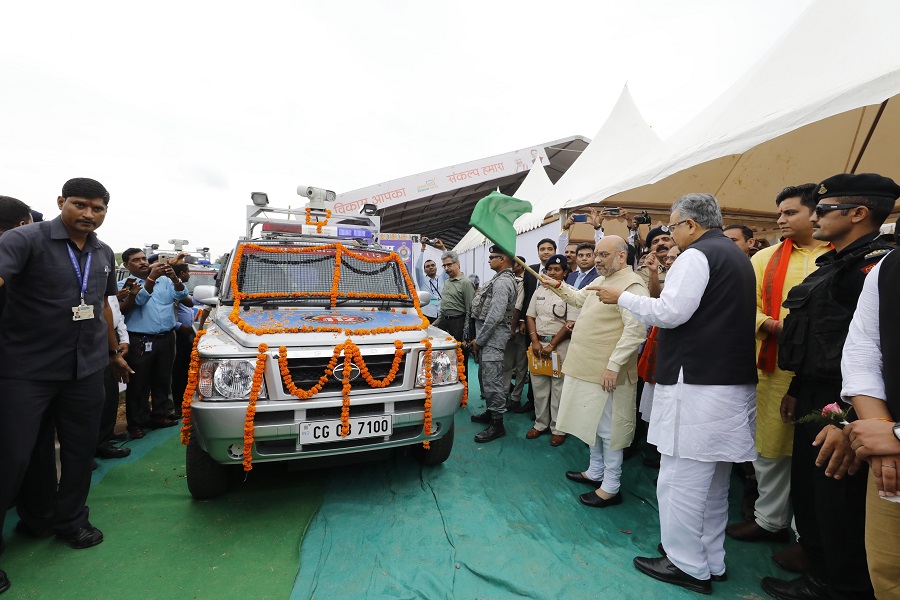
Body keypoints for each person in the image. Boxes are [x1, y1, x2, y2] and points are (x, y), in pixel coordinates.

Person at [596, 194, 757, 594]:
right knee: (714, 481)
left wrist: (624, 297)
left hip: (697, 385)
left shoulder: (697, 255)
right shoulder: (735, 256)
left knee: (680, 480)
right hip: (726, 383)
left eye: (672, 227)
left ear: (689, 224)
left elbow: (671, 312)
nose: (671, 235)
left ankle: (685, 563)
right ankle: (710, 558)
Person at [763, 173, 899, 600]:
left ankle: (835, 583)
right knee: (812, 483)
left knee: (837, 492)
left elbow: (874, 354)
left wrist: (854, 419)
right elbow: (825, 337)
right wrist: (796, 386)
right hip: (815, 389)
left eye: (822, 209)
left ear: (858, 214)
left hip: (850, 403)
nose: (813, 216)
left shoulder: (874, 267)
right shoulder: (837, 262)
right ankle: (816, 559)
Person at [0, 178, 131, 595]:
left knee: (79, 451)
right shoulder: (26, 239)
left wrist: (112, 355)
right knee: (13, 458)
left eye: (98, 207)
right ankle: (34, 518)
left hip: (86, 370)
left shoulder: (103, 252)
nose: (89, 214)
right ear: (61, 202)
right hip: (26, 371)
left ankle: (70, 521)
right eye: (80, 204)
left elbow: (102, 310)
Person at [725, 185, 830, 566]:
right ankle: (769, 520)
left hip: (824, 375)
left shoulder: (841, 258)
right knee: (768, 450)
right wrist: (771, 325)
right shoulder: (764, 259)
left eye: (789, 213)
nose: (780, 220)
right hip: (772, 368)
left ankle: (808, 537)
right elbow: (742, 307)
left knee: (812, 456)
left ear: (815, 213)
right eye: (779, 213)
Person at [543, 236, 647, 507]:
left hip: (607, 372)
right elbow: (579, 298)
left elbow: (635, 331)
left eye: (603, 255)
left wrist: (613, 366)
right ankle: (595, 472)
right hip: (586, 367)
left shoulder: (633, 285)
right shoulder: (601, 281)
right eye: (596, 254)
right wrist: (557, 285)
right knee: (593, 425)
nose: (597, 260)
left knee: (609, 430)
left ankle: (611, 486)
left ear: (621, 256)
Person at [842, 248, 900, 598]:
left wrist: (893, 435)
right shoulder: (889, 266)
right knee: (887, 577)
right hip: (890, 459)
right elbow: (863, 349)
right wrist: (878, 426)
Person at [118, 249, 189, 438]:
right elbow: (139, 300)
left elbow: (183, 297)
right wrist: (150, 279)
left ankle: (160, 416)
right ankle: (137, 423)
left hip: (166, 337)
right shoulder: (124, 285)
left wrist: (174, 278)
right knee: (139, 383)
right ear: (127, 266)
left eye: (143, 258)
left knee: (163, 379)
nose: (142, 262)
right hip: (140, 340)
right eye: (136, 260)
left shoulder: (165, 280)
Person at [525, 254, 576, 446]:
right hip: (538, 345)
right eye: (549, 269)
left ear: (565, 272)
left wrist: (552, 345)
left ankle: (558, 428)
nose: (552, 272)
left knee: (558, 389)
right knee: (538, 387)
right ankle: (540, 424)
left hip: (560, 347)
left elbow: (570, 323)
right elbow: (530, 316)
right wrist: (535, 342)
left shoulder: (571, 293)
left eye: (557, 269)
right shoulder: (539, 291)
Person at [469, 247, 517, 443]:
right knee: (486, 377)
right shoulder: (498, 279)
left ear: (503, 259)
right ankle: (491, 412)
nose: (489, 260)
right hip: (488, 338)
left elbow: (495, 316)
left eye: (492, 257)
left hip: (492, 339)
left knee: (492, 380)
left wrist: (479, 341)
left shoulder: (504, 282)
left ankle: (497, 424)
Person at [95, 290, 132, 459]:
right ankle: (92, 445)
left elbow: (118, 316)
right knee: (95, 396)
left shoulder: (108, 289)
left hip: (113, 339)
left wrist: (123, 340)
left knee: (110, 392)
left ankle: (104, 440)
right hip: (96, 338)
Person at [501, 258, 528, 410]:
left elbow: (519, 306)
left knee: (521, 365)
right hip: (507, 328)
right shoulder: (507, 280)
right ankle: (505, 395)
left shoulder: (526, 281)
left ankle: (516, 397)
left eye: (514, 264)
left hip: (521, 329)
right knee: (506, 364)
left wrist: (514, 327)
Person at [170, 263, 195, 418]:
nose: (189, 275)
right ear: (181, 273)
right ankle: (176, 404)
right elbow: (166, 310)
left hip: (186, 333)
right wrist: (179, 326)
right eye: (188, 272)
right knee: (176, 370)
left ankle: (183, 400)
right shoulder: (172, 288)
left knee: (185, 368)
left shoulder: (181, 289)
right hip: (177, 333)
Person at [415, 240, 447, 323]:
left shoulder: (442, 278)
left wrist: (443, 248)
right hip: (427, 313)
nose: (431, 267)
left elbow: (447, 263)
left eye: (433, 265)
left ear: (436, 268)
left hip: (441, 313)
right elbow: (418, 268)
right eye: (428, 266)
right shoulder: (422, 280)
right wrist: (422, 249)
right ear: (425, 270)